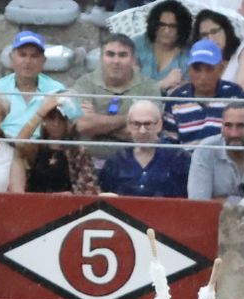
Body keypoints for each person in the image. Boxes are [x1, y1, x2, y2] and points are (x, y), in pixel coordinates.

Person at [68, 33, 159, 162]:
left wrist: (97, 123)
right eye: (110, 54)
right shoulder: (85, 83)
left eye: (122, 55)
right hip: (89, 162)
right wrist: (130, 119)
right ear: (101, 58)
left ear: (133, 59)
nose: (116, 61)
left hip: (136, 162)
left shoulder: (149, 87)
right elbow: (83, 126)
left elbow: (146, 133)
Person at [0, 30, 74, 140]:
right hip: (4, 148)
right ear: (11, 58)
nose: (28, 61)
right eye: (22, 55)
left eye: (34, 56)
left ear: (43, 61)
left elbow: (73, 126)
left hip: (44, 150)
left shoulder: (57, 90)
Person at [101, 96, 191, 196]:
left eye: (148, 124)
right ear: (128, 125)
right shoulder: (116, 161)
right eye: (136, 124)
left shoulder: (179, 158)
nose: (142, 131)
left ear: (159, 125)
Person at [163, 38, 244, 144]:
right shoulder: (175, 100)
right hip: (187, 160)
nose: (203, 76)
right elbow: (170, 147)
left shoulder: (235, 95)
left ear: (221, 69)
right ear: (189, 70)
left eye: (209, 69)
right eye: (197, 69)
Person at [15, 94, 99, 194]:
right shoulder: (37, 146)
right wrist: (39, 114)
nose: (56, 124)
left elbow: (89, 188)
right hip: (36, 203)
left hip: (68, 204)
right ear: (44, 121)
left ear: (68, 122)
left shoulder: (78, 151)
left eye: (61, 119)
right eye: (51, 118)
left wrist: (71, 194)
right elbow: (19, 144)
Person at [194, 8, 244, 93]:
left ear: (226, 30)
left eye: (214, 31)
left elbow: (241, 98)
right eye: (204, 35)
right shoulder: (205, 59)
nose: (210, 39)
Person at [134, 0, 191, 94]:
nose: (166, 31)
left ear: (181, 28)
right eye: (162, 25)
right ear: (154, 24)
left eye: (173, 26)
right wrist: (162, 84)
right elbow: (131, 88)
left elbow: (189, 89)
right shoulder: (137, 45)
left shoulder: (190, 53)